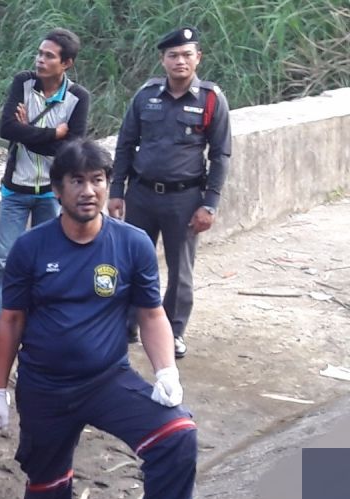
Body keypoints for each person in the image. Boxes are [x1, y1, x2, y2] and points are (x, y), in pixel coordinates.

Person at [0, 140, 198, 499]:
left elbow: (152, 314)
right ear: (58, 190)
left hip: (107, 380)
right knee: (46, 480)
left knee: (177, 436)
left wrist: (166, 371)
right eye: (77, 181)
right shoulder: (30, 248)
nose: (88, 190)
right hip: (43, 386)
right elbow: (11, 320)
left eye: (97, 180)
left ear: (107, 185)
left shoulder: (132, 243)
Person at [107, 26, 232, 358]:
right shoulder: (145, 96)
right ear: (163, 60)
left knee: (181, 272)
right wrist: (117, 190)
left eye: (187, 55)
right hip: (141, 195)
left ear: (198, 58)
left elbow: (220, 155)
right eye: (173, 55)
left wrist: (210, 204)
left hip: (184, 199)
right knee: (132, 262)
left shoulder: (211, 99)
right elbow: (125, 144)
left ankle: (173, 331)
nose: (180, 61)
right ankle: (127, 325)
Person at [0, 28, 91, 343]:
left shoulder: (78, 97)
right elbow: (6, 129)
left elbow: (72, 150)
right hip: (16, 188)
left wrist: (27, 131)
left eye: (49, 56)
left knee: (48, 261)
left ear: (66, 63)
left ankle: (37, 320)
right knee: (5, 260)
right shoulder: (23, 83)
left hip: (53, 193)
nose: (40, 60)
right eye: (40, 53)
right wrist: (53, 134)